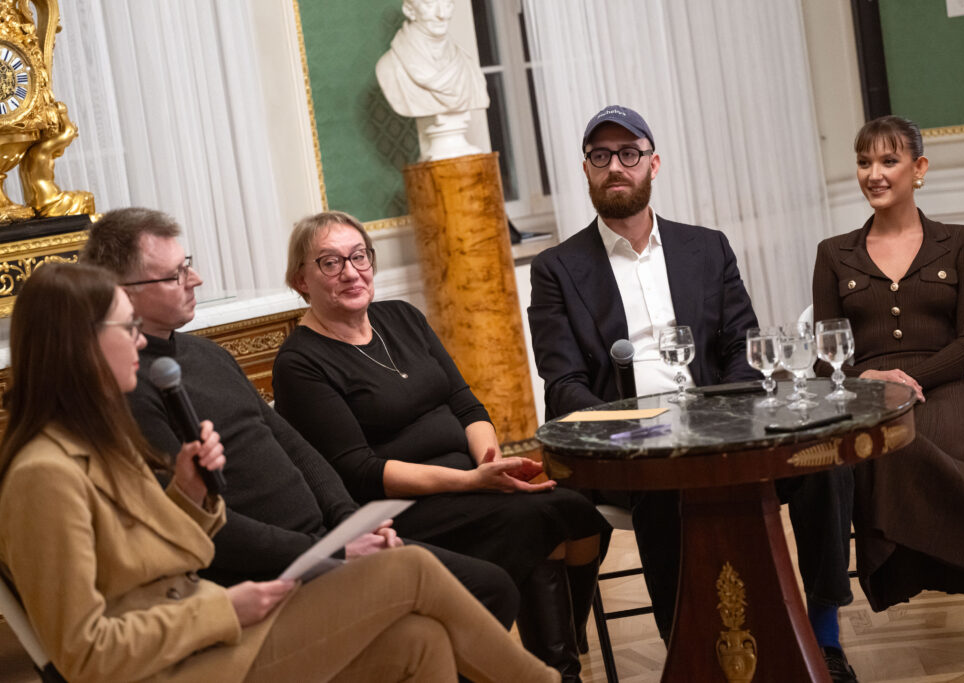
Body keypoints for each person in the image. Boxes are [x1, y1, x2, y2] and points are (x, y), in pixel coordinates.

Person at [0, 262, 558, 683]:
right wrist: (226, 609)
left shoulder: (100, 439)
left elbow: (149, 555)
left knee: (420, 639)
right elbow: (84, 654)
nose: (142, 341)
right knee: (410, 568)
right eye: (128, 329)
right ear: (82, 346)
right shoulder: (43, 476)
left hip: (202, 633)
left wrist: (188, 496)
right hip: (177, 663)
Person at [528, 105, 858, 681]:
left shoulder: (706, 247)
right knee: (667, 481)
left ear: (653, 164)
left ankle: (824, 635)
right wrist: (631, 430)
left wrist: (717, 422)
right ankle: (693, 650)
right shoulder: (557, 268)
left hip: (723, 427)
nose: (615, 166)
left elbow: (742, 348)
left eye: (628, 153)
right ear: (586, 170)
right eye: (601, 156)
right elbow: (564, 386)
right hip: (630, 448)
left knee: (821, 459)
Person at [79, 207, 519, 631]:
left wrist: (350, 522)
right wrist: (331, 550)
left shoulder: (207, 353)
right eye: (175, 274)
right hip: (273, 571)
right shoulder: (126, 387)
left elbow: (295, 447)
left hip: (327, 539)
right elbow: (206, 525)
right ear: (121, 291)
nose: (195, 279)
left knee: (486, 584)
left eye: (187, 264)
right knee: (481, 591)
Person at [272, 210, 610, 681]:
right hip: (397, 506)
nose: (351, 272)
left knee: (576, 510)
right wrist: (471, 481)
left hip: (470, 480)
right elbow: (360, 470)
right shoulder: (300, 362)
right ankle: (556, 670)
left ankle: (561, 651)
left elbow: (467, 405)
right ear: (300, 280)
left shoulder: (403, 318)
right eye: (330, 262)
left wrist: (491, 464)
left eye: (359, 256)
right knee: (539, 519)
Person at [812, 115, 964, 612]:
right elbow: (825, 359)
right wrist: (867, 379)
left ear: (919, 167)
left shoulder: (961, 241)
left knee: (935, 446)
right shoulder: (833, 253)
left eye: (889, 160)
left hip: (944, 386)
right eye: (864, 162)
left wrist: (910, 380)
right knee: (884, 444)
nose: (874, 174)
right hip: (867, 397)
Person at [375, 0, 488, 118]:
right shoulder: (389, 67)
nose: (442, 14)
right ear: (409, 10)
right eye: (429, 4)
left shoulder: (468, 64)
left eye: (447, 3)